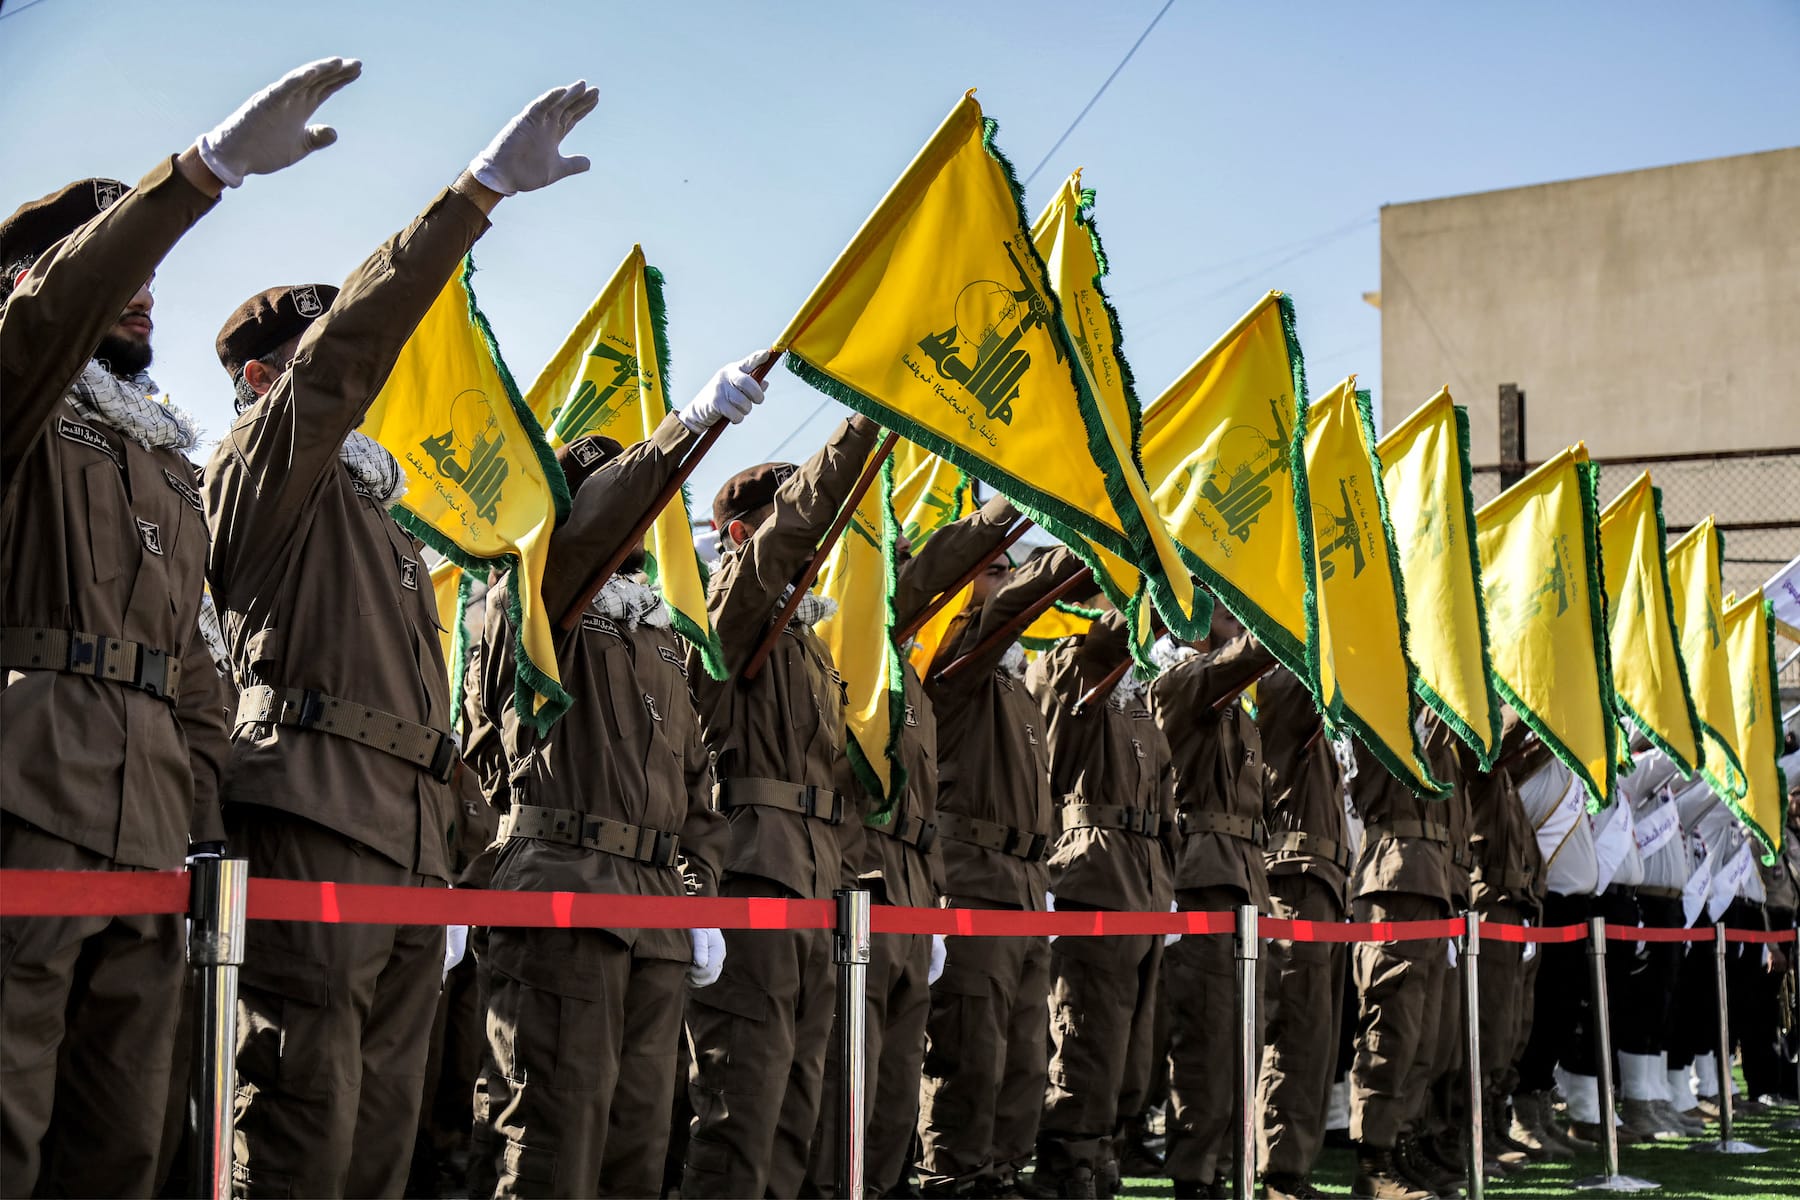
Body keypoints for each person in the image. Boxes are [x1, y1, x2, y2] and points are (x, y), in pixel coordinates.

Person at [203, 80, 599, 1197]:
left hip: (408, 826)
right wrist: (473, 196)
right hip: (316, 806)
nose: (360, 386)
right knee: (302, 1105)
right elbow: (344, 361)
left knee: (383, 1119)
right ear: (261, 376)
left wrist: (459, 829)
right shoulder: (262, 466)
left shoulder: (369, 507)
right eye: (320, 359)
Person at [0, 58, 356, 1196]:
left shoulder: (161, 457)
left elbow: (198, 663)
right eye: (119, 259)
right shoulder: (19, 392)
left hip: (150, 812)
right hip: (28, 790)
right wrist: (200, 174)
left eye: (151, 265)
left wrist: (204, 824)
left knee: (128, 1133)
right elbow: (49, 313)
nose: (146, 283)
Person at [475, 398, 753, 1196]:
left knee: (638, 1140)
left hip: (655, 909)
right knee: (557, 1135)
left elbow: (695, 784)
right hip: (567, 886)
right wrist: (683, 427)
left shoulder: (658, 632)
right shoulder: (534, 597)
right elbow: (586, 533)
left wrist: (697, 894)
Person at [680, 414, 883, 1198]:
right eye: (784, 518)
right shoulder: (730, 608)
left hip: (816, 878)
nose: (812, 543)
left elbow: (835, 776)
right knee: (743, 1095)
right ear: (738, 533)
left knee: (802, 1092)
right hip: (754, 871)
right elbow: (780, 549)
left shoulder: (805, 645)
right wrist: (865, 424)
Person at [916, 525, 1082, 1197]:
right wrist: (1081, 540)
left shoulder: (1013, 686)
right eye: (991, 571)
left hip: (1021, 879)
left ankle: (1000, 1169)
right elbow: (1012, 608)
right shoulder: (954, 661)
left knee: (1023, 1050)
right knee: (971, 1050)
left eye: (1008, 568)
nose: (1004, 578)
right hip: (972, 876)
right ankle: (954, 1175)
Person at [1029, 609, 1177, 1199]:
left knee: (1131, 1047)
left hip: (1141, 881)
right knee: (1086, 1031)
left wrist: (1167, 878)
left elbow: (1163, 791)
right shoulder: (1074, 665)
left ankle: (1101, 1154)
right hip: (1093, 875)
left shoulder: (1137, 690)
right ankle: (1068, 1165)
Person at [1149, 608, 1274, 1199]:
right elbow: (1243, 658)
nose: (1231, 610)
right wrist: (1292, 616)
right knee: (1206, 1042)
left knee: (1242, 1044)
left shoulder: (1237, 707)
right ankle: (1195, 1178)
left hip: (1246, 883)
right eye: (1216, 599)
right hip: (1204, 881)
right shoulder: (1180, 680)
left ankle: (1224, 1166)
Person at [1344, 715, 1463, 1200]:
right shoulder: (1380, 698)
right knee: (1391, 1029)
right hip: (1395, 874)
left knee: (1424, 1039)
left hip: (1432, 879)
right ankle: (1374, 1163)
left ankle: (1400, 1147)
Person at [1253, 665, 1350, 1200]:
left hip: (1323, 882)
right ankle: (1280, 1169)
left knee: (1314, 1036)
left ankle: (1291, 1166)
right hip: (1294, 883)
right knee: (1293, 1031)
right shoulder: (1283, 689)